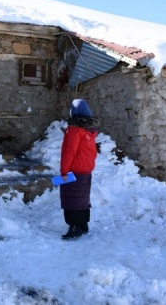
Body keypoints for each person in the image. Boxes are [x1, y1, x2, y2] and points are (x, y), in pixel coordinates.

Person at [59, 99, 98, 240]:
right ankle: (83, 224)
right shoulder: (89, 129)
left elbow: (70, 151)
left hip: (74, 170)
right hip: (86, 170)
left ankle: (74, 227)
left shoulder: (74, 129)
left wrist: (64, 171)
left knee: (72, 199)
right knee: (82, 198)